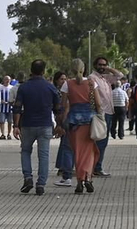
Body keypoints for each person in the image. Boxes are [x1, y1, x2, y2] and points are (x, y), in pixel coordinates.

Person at [15, 59, 58, 195]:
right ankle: (41, 184)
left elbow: (17, 107)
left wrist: (15, 125)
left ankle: (28, 177)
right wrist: (60, 125)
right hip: (45, 124)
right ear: (44, 71)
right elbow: (58, 108)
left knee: (26, 151)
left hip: (27, 124)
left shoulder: (24, 87)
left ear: (31, 70)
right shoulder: (50, 87)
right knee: (43, 155)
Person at [62, 60, 97, 195]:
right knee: (89, 152)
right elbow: (98, 103)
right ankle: (87, 177)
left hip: (74, 123)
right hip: (89, 121)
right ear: (84, 69)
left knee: (77, 152)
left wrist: (62, 121)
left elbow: (64, 105)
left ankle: (79, 181)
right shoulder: (91, 83)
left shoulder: (67, 84)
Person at [90, 56, 117, 177]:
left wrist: (109, 68)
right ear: (95, 65)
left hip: (109, 112)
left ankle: (97, 166)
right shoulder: (92, 78)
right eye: (100, 65)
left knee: (104, 141)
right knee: (100, 141)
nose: (102, 67)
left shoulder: (106, 78)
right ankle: (96, 167)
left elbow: (120, 75)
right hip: (100, 113)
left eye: (104, 65)